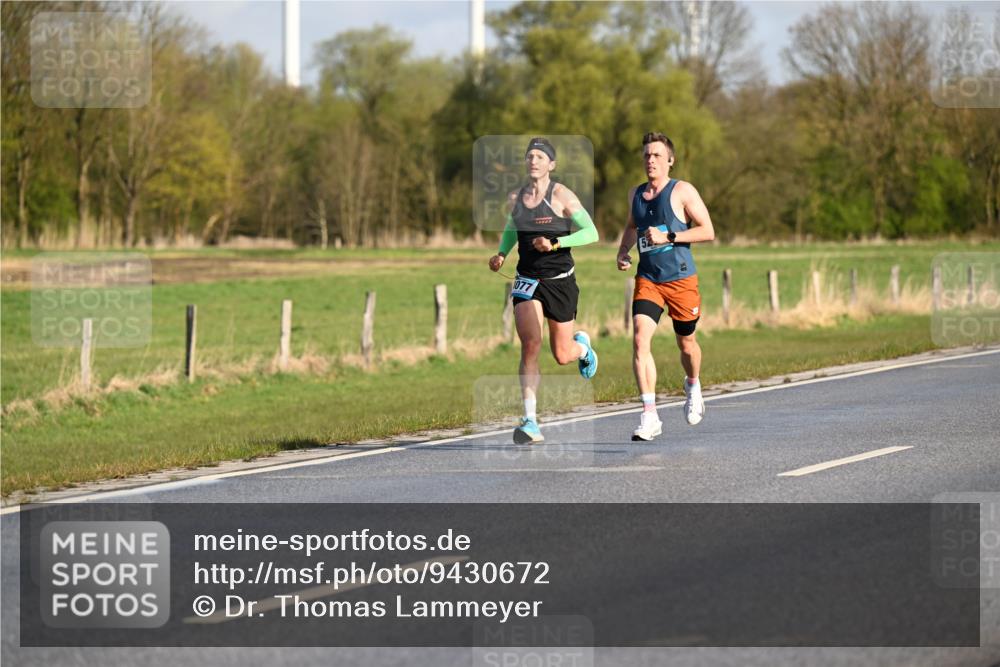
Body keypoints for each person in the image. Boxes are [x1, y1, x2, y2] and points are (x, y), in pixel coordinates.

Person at [488, 137, 599, 444]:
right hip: (527, 279)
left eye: (540, 156)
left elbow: (591, 232)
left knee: (562, 354)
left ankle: (583, 349)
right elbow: (513, 228)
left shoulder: (561, 195)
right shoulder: (516, 197)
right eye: (530, 156)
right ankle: (530, 421)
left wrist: (556, 243)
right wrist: (501, 254)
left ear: (551, 164)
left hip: (560, 280)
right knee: (530, 344)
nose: (533, 160)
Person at [616, 132, 715, 441]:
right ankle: (650, 415)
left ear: (670, 160)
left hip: (681, 279)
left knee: (687, 344)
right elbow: (632, 226)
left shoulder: (682, 190)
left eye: (657, 155)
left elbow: (708, 231)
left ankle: (693, 384)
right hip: (649, 279)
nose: (651, 160)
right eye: (647, 155)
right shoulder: (635, 193)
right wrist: (623, 251)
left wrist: (669, 237)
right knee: (639, 340)